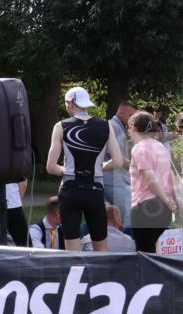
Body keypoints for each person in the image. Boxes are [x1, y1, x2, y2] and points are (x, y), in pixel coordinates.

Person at [45, 86, 124, 251]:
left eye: (66, 104)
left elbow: (51, 167)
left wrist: (66, 170)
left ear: (71, 103)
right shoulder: (105, 125)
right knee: (101, 251)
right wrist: (101, 167)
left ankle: (74, 276)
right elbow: (118, 162)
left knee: (72, 253)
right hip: (94, 190)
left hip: (70, 189)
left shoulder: (61, 126)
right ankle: (102, 277)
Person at [126, 110, 177, 253]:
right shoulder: (161, 147)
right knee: (154, 252)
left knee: (143, 253)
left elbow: (150, 179)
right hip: (163, 210)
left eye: (128, 127)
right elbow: (168, 176)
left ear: (133, 127)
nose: (128, 130)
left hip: (145, 207)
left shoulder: (139, 148)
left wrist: (166, 200)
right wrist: (169, 201)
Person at [104, 100, 136, 230]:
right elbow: (118, 157)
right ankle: (128, 246)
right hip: (114, 181)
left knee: (107, 218)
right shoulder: (116, 128)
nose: (133, 120)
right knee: (126, 218)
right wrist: (137, 165)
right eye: (131, 116)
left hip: (109, 179)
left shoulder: (114, 126)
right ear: (121, 112)